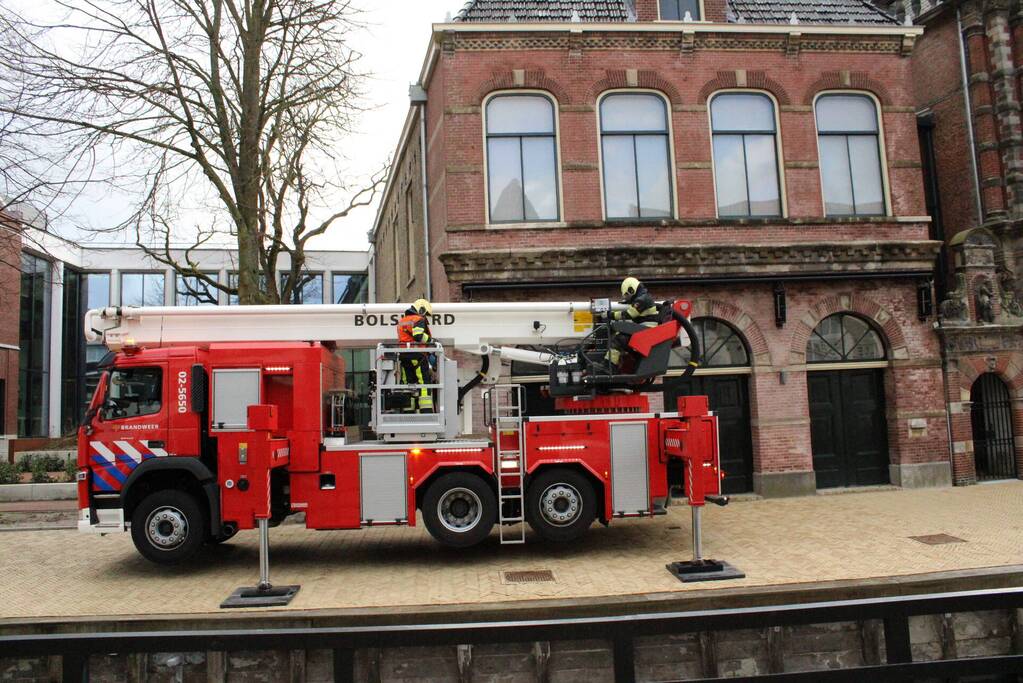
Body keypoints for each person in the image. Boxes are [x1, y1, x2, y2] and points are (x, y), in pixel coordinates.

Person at [606, 277, 661, 371]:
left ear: (632, 289)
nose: (627, 297)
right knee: (620, 336)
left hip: (645, 331)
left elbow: (629, 314)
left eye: (627, 294)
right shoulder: (643, 297)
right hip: (644, 330)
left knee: (618, 340)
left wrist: (610, 315)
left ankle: (609, 367)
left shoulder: (642, 300)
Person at [396, 298, 435, 412]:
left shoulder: (402, 321)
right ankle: (426, 411)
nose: (425, 316)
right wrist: (431, 340)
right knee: (424, 383)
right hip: (416, 355)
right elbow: (418, 336)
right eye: (425, 313)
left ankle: (408, 411)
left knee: (408, 383)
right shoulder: (418, 319)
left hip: (404, 356)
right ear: (421, 309)